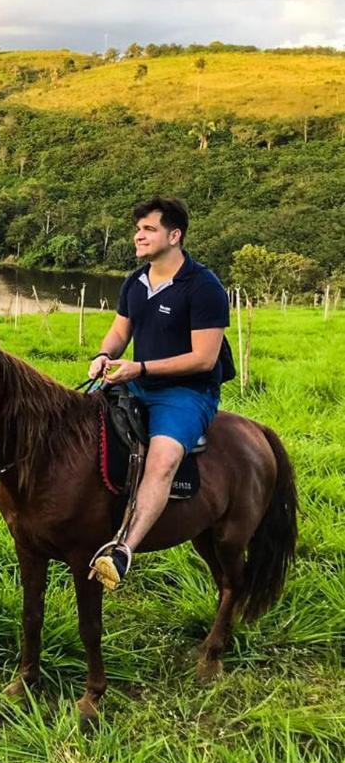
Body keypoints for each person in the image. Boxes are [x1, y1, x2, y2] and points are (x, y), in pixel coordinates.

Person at [88, 197, 233, 589]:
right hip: (136, 382)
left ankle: (122, 551)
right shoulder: (136, 281)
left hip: (186, 392)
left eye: (148, 229)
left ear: (174, 235)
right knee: (75, 419)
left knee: (164, 457)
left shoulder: (204, 287)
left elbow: (204, 359)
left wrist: (142, 368)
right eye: (137, 229)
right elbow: (121, 331)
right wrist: (105, 355)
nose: (139, 235)